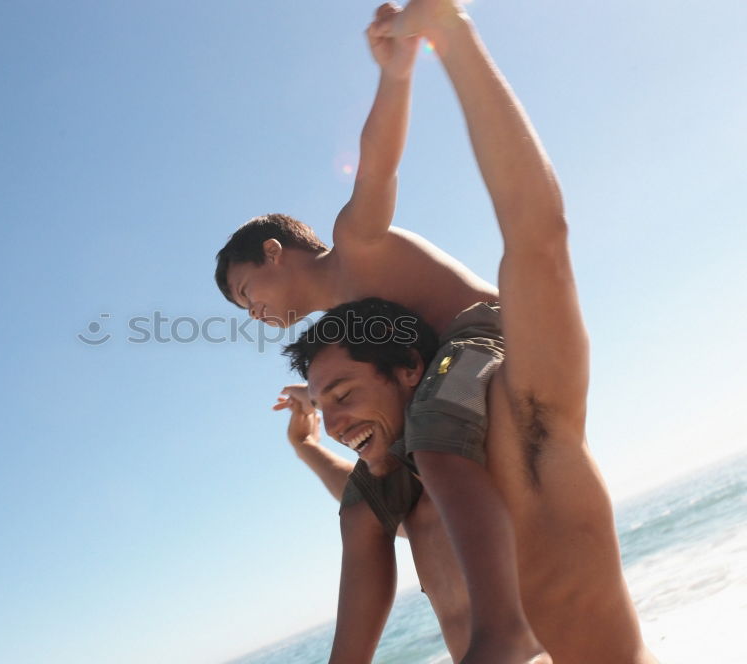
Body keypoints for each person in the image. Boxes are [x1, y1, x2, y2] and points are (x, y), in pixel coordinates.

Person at [275, 2, 659, 662]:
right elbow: (356, 493)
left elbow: (538, 239)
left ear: (408, 371)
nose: (334, 419)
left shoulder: (525, 417)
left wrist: (454, 40)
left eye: (342, 393)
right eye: (325, 402)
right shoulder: (410, 495)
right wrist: (308, 447)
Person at [216, 3, 544, 661]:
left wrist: (396, 73)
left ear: (276, 251)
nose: (252, 313)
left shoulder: (354, 247)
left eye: (248, 293)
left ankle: (503, 628)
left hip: (488, 337)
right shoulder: (344, 328)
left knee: (434, 434)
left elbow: (376, 165)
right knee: (365, 504)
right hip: (436, 375)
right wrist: (323, 409)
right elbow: (376, 378)